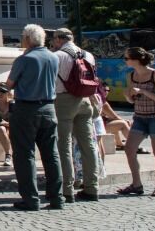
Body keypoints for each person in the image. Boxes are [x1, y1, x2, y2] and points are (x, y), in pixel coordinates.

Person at [5, 24, 63, 211]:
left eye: (23, 37)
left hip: (26, 109)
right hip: (49, 108)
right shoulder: (53, 57)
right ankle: (57, 198)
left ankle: (31, 199)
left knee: (25, 155)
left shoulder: (24, 59)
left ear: (28, 39)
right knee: (51, 154)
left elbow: (9, 84)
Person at [51, 28, 100, 202]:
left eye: (54, 39)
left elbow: (52, 82)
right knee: (88, 145)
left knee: (64, 146)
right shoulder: (88, 55)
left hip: (64, 101)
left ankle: (67, 189)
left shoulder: (57, 56)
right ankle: (92, 187)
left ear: (58, 39)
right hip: (85, 100)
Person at [117, 47, 155, 197]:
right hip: (140, 117)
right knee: (129, 149)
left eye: (127, 58)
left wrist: (142, 91)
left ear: (137, 60)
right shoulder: (131, 75)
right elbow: (132, 100)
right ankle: (136, 184)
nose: (125, 61)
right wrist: (128, 96)